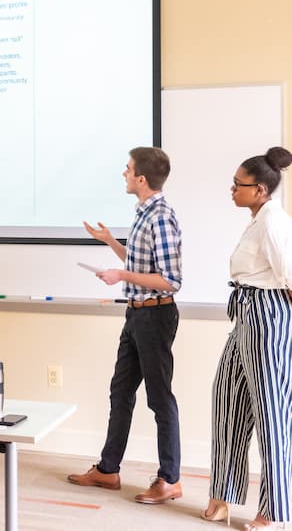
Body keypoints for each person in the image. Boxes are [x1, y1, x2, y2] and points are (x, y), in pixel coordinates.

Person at [68, 146, 184, 504]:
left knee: (159, 398)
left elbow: (170, 279)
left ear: (142, 178)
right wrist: (111, 243)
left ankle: (170, 479)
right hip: (136, 314)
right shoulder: (143, 214)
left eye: (128, 169)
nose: (124, 173)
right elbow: (142, 264)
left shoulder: (161, 217)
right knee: (120, 392)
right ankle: (108, 469)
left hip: (155, 315)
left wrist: (119, 273)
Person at [201, 146, 292, 531]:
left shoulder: (273, 221)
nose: (232, 189)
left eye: (239, 184)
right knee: (227, 400)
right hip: (246, 314)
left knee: (272, 412)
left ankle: (272, 508)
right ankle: (223, 494)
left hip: (268, 317)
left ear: (261, 190)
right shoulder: (258, 218)